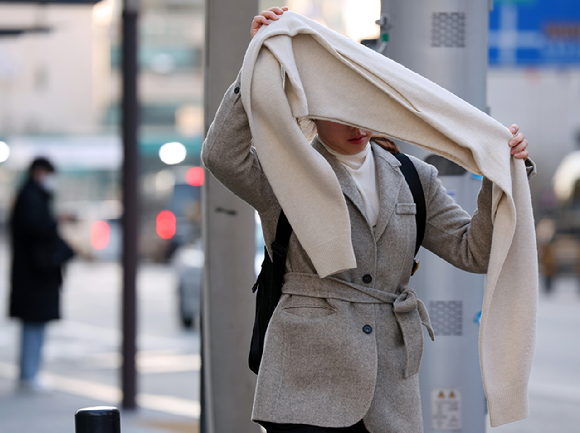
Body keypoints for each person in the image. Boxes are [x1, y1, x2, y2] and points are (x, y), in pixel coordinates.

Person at [203, 8, 533, 433]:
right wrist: (256, 62)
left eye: (362, 106)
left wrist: (500, 175)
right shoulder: (286, 171)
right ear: (311, 107)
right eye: (339, 108)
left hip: (389, 390)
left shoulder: (416, 176)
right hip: (306, 380)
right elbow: (220, 156)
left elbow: (474, 251)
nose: (355, 122)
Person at [8, 157, 74, 392]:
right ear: (39, 172)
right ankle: (29, 374)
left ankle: (30, 373)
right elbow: (38, 231)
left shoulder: (31, 195)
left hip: (33, 275)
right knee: (34, 324)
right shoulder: (31, 197)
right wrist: (56, 221)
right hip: (34, 275)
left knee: (34, 325)